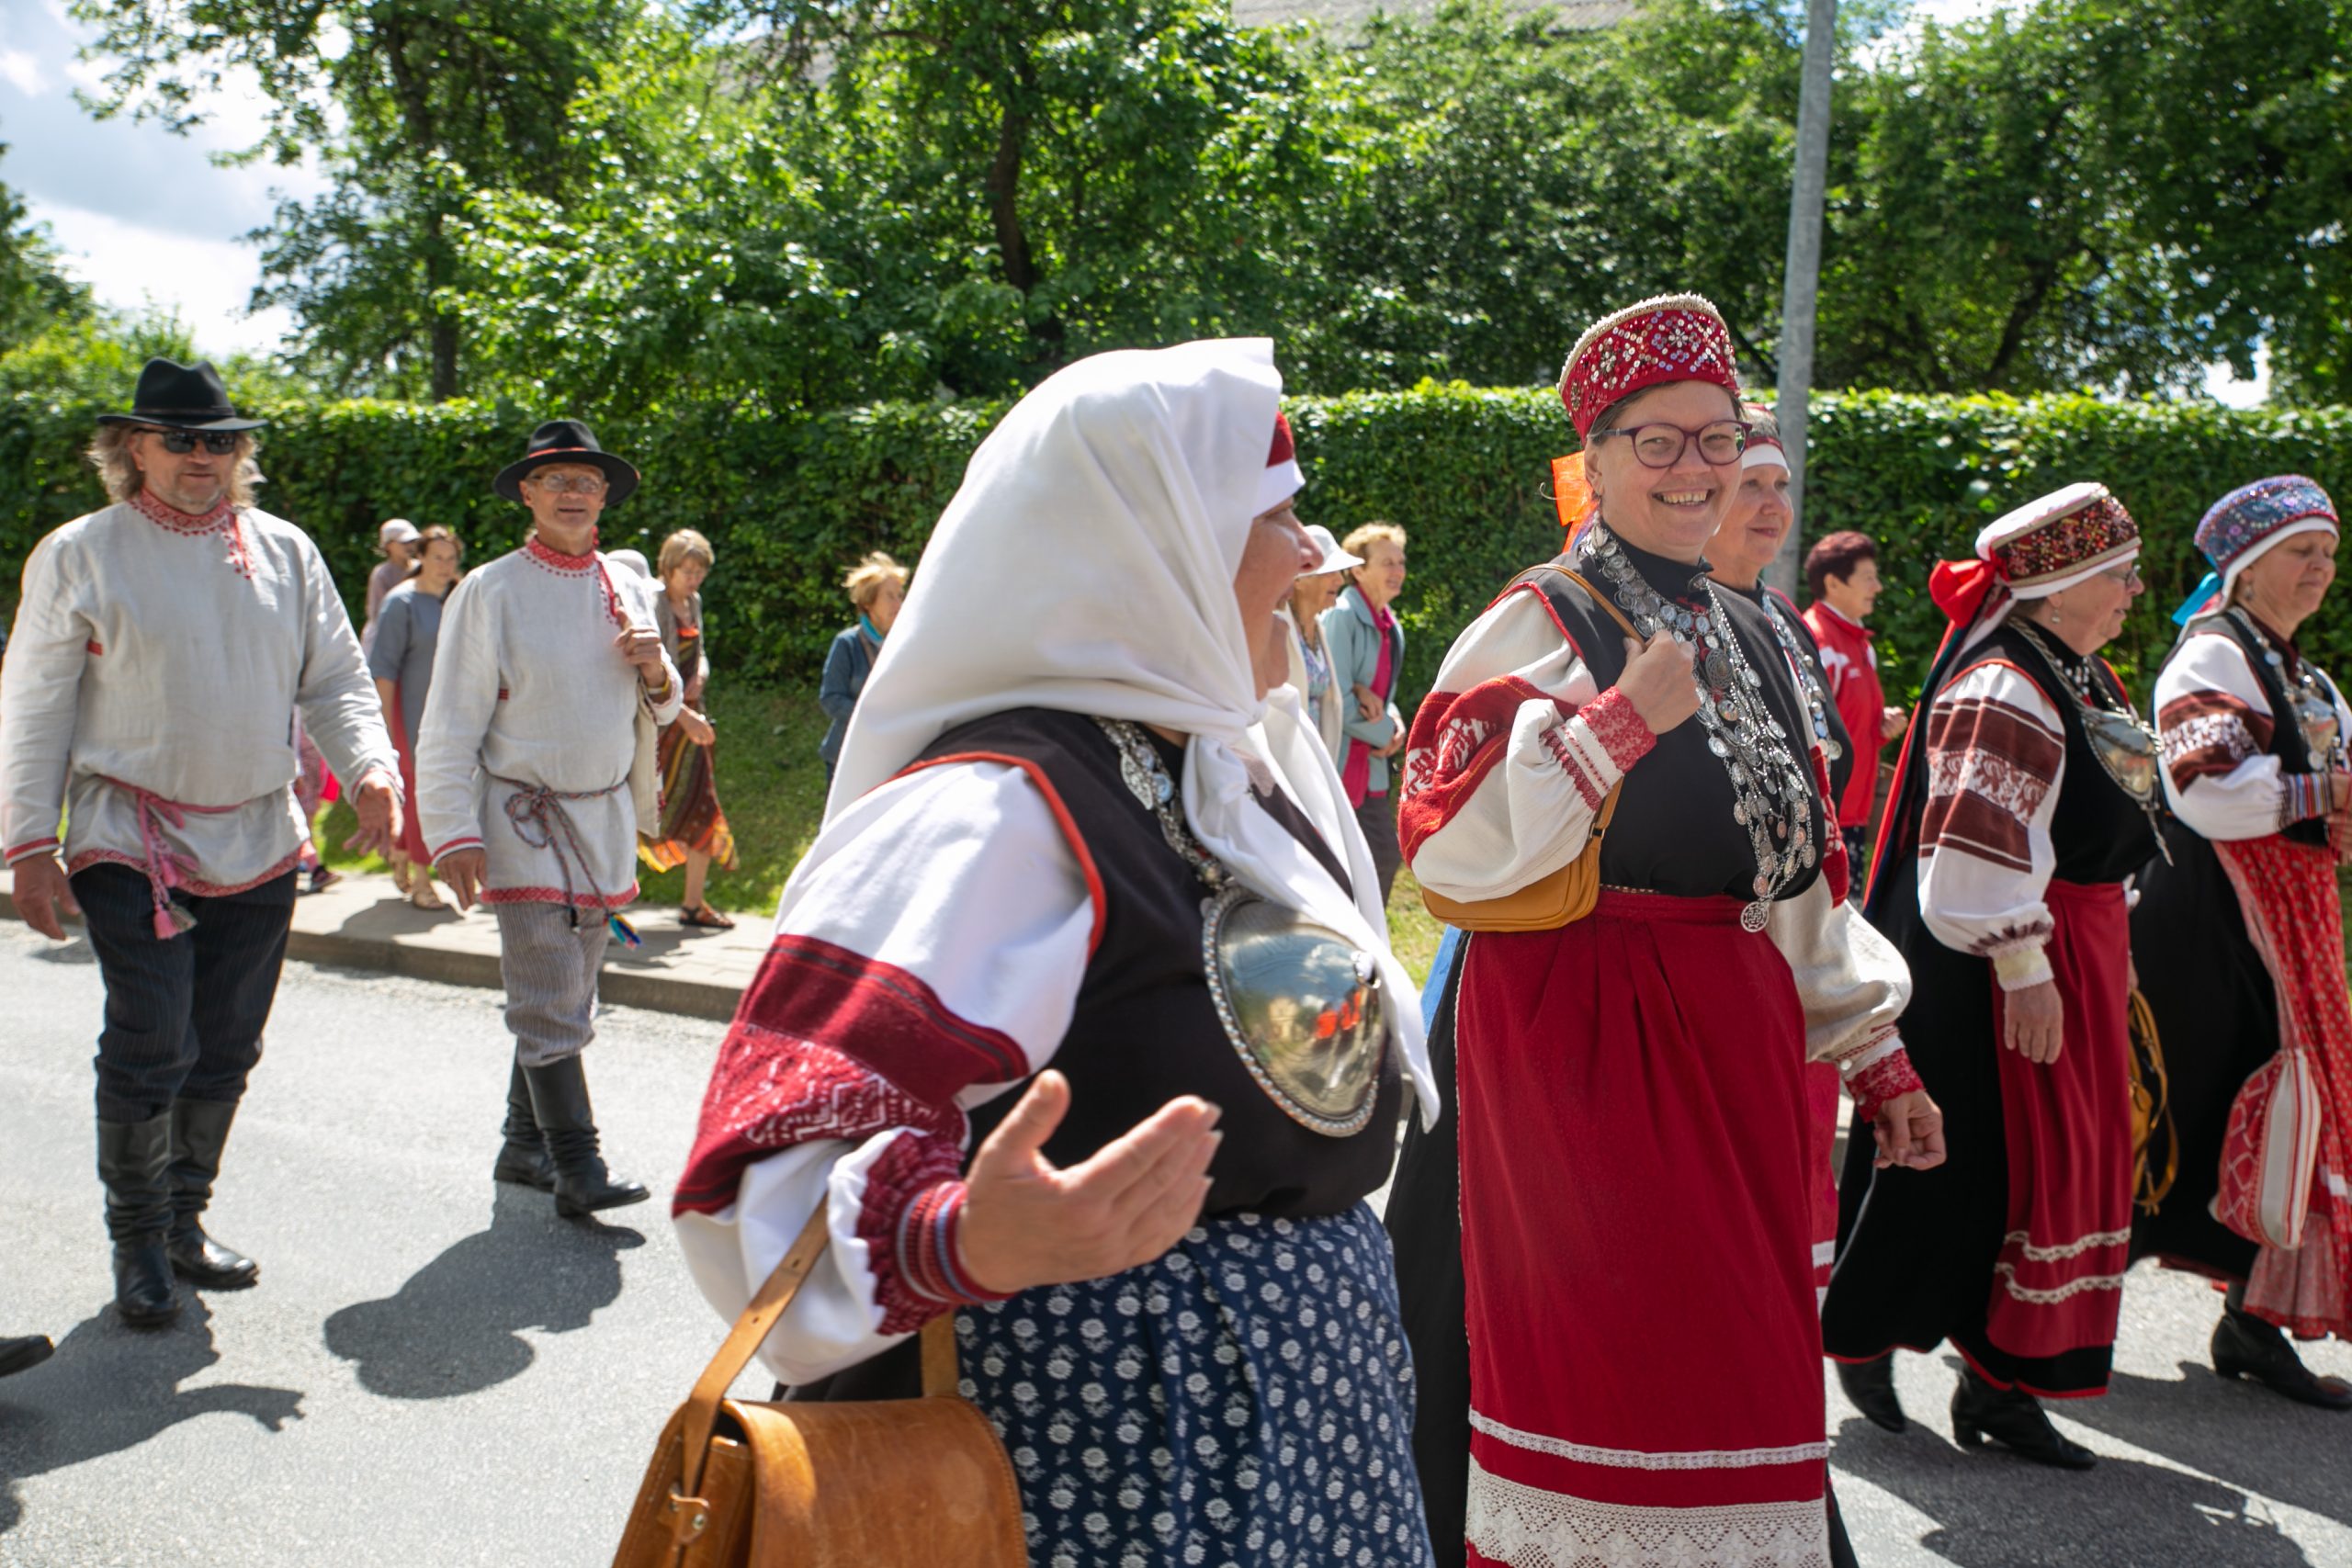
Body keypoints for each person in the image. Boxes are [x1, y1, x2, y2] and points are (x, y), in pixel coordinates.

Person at [673, 339, 1441, 1566]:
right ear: (1155, 543)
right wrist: (966, 1236)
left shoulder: (1225, 771)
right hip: (1095, 1466)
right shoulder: (988, 809)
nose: (1312, 553)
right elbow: (762, 1178)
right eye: (1276, 517)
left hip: (1296, 1449)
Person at [1385, 295, 1932, 1567]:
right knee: (1626, 1376)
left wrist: (1874, 1051)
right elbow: (1447, 844)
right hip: (1590, 1049)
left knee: (1737, 1368)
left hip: (1730, 1042)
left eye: (1717, 437)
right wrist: (1618, 725)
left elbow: (1793, 867)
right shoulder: (1547, 616)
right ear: (1597, 456)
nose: (1697, 468)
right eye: (1658, 441)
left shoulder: (1751, 624)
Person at [0, 357, 400, 1328]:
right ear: (131, 447)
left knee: (226, 1040)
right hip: (127, 832)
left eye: (221, 441)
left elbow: (337, 679)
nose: (202, 457)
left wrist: (372, 770)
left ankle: (184, 1220)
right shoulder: (81, 551)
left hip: (259, 832)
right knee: (152, 1035)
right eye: (180, 439)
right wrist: (27, 842)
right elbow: (36, 700)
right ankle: (136, 1240)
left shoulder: (286, 550)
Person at [1826, 481, 2158, 1470]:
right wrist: (2024, 963)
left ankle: (2001, 1381)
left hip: (2071, 944)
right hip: (1999, 960)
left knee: (2047, 1169)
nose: (2135, 591)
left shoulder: (2079, 671)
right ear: (2064, 585)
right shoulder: (2005, 685)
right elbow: (1972, 850)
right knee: (1975, 1168)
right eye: (2121, 573)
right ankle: (1871, 1338)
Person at [415, 420, 682, 1214]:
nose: (573, 493)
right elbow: (449, 720)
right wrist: (452, 832)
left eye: (587, 481)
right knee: (549, 989)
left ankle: (521, 1144)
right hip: (521, 820)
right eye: (556, 479)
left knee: (565, 987)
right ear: (527, 493)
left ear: (605, 496)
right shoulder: (490, 589)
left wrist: (657, 671)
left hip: (602, 821)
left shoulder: (626, 583)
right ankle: (577, 1165)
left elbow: (664, 707)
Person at [2130, 475, 2352, 1407]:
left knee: (2288, 1105)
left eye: (2327, 553)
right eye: (2301, 552)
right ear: (2249, 568)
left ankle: (2252, 1319)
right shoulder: (2213, 656)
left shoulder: (2301, 673)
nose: (2320, 569)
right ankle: (2037, 1311)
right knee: (2184, 1102)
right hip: (2212, 919)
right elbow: (2207, 791)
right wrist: (2325, 795)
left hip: (2287, 917)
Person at [1704, 408, 1856, 1311]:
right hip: (1727, 961)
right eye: (1748, 485)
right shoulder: (1665, 619)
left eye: (1780, 486)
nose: (1771, 505)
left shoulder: (1783, 618)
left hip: (1802, 954)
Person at [639, 528, 739, 928]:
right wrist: (681, 712)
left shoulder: (693, 602)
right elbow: (646, 675)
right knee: (638, 812)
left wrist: (701, 673)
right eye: (688, 571)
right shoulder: (652, 604)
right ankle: (603, 904)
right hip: (660, 726)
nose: (695, 579)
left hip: (692, 724)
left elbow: (700, 652)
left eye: (700, 572)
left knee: (703, 805)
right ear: (668, 568)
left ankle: (693, 904)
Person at [368, 525, 465, 910]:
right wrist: (385, 732)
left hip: (451, 715)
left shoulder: (458, 598)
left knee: (444, 791)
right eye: (437, 557)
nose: (445, 566)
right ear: (421, 557)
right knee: (416, 792)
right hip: (407, 712)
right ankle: (423, 880)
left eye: (451, 558)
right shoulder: (400, 602)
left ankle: (402, 852)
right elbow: (384, 670)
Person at [1804, 531, 1909, 878]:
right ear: (1833, 583)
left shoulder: (1860, 644)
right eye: (1868, 578)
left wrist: (1880, 727)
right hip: (1825, 818)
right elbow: (1806, 732)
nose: (1877, 587)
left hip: (1849, 815)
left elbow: (1843, 725)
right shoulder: (1818, 641)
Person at [1322, 521, 1408, 903]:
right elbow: (1336, 698)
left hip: (1370, 767)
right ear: (1357, 570)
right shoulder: (1341, 616)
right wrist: (1387, 733)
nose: (1398, 571)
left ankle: (1366, 934)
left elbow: (1383, 693)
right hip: (1339, 764)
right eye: (1387, 562)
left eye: (1401, 562)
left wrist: (1396, 721)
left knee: (1379, 860)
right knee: (1365, 862)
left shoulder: (1392, 624)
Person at [817, 551, 907, 784]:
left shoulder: (906, 644)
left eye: (900, 596)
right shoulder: (847, 643)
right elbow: (831, 698)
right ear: (868, 602)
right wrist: (871, 717)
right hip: (848, 758)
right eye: (890, 597)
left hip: (894, 757)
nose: (899, 604)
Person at [1282, 522, 1361, 759]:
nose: (1339, 580)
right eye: (1329, 572)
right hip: (1287, 757)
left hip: (1315, 758)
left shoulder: (1319, 628)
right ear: (1298, 580)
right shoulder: (1276, 627)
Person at [359, 518, 421, 656]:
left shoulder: (421, 568)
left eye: (412, 541)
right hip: (384, 641)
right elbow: (377, 613)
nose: (409, 546)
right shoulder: (382, 574)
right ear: (388, 545)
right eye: (404, 542)